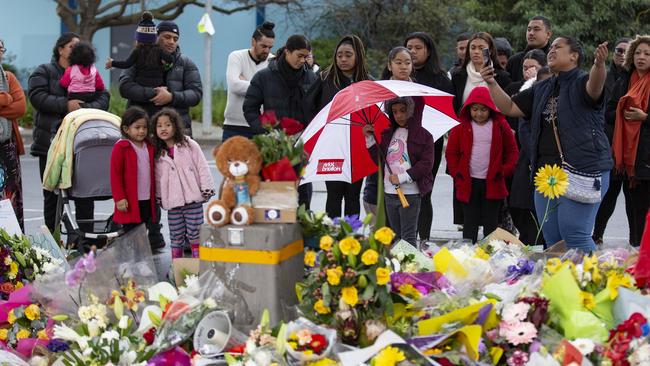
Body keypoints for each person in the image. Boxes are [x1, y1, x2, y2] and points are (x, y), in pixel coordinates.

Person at [480, 36, 612, 252]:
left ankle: (593, 283)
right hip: (547, 173)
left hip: (582, 169)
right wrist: (491, 83)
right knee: (552, 238)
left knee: (575, 235)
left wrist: (599, 65)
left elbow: (595, 86)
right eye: (550, 47)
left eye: (557, 47)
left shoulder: (582, 81)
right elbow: (510, 108)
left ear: (574, 56)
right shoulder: (543, 87)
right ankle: (558, 284)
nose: (551, 50)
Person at [29, 32, 110, 240]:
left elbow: (104, 96)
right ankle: (52, 242)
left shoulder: (89, 71)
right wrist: (66, 105)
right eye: (73, 46)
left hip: (83, 144)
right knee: (53, 195)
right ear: (61, 49)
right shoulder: (44, 71)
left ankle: (85, 242)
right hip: (51, 143)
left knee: (85, 194)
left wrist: (85, 108)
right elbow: (37, 96)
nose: (77, 49)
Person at [243, 34, 317, 209]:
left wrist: (310, 137)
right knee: (274, 197)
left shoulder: (311, 78)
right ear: (287, 51)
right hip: (272, 147)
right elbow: (250, 108)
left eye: (306, 56)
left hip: (301, 147)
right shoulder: (263, 77)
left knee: (303, 196)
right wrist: (264, 133)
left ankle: (302, 231)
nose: (303, 60)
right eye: (299, 55)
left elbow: (316, 110)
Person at [446, 87, 518, 243]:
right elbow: (451, 153)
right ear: (469, 109)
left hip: (493, 182)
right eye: (475, 109)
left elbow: (512, 151)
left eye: (483, 109)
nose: (479, 114)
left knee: (491, 223)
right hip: (468, 182)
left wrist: (505, 171)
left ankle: (490, 257)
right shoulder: (461, 126)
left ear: (491, 109)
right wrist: (456, 173)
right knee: (469, 222)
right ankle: (467, 255)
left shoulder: (500, 125)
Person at [309, 35, 370, 218]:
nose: (343, 59)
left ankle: (353, 238)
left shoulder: (368, 82)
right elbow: (310, 107)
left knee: (353, 195)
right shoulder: (324, 79)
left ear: (358, 56)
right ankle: (332, 240)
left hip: (358, 147)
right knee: (334, 194)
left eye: (348, 55)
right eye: (339, 55)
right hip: (332, 147)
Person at [363, 96, 433, 246]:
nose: (399, 115)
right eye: (394, 112)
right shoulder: (388, 134)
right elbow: (380, 161)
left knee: (408, 237)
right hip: (390, 193)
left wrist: (402, 177)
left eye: (403, 110)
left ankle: (410, 268)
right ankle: (399, 267)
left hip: (410, 194)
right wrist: (370, 139)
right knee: (396, 236)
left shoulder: (424, 136)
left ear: (412, 110)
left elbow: (426, 164)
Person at [404, 32, 454, 241]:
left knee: (423, 193)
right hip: (398, 142)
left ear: (428, 51)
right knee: (400, 193)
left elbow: (447, 113)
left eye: (418, 47)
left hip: (428, 144)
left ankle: (423, 240)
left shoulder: (440, 79)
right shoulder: (398, 76)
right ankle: (403, 240)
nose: (413, 51)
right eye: (409, 47)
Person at [119, 19, 202, 137]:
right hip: (143, 129)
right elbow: (124, 87)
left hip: (176, 130)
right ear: (155, 37)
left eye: (175, 39)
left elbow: (196, 93)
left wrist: (171, 97)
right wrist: (153, 93)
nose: (172, 42)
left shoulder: (186, 63)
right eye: (167, 37)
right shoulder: (138, 56)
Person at [152, 108, 215, 258]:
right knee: (176, 235)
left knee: (195, 233)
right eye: (159, 126)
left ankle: (198, 263)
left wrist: (206, 188)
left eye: (167, 124)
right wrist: (159, 197)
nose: (163, 129)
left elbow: (202, 166)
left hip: (193, 199)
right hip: (173, 204)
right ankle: (177, 267)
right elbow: (158, 178)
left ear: (175, 126)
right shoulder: (158, 153)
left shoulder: (189, 145)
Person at [609, 35, 650, 246]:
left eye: (647, 53)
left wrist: (645, 117)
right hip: (627, 157)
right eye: (637, 52)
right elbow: (607, 110)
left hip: (646, 155)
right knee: (635, 209)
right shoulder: (624, 80)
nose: (641, 57)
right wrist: (620, 113)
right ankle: (637, 252)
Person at [365, 47, 414, 223]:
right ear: (389, 65)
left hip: (411, 152)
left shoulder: (419, 91)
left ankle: (406, 246)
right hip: (384, 150)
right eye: (398, 63)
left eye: (407, 63)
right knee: (379, 192)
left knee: (409, 210)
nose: (403, 67)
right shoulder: (379, 91)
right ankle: (384, 241)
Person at [593, 37, 633, 245]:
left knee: (634, 199)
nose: (621, 55)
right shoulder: (604, 77)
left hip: (635, 147)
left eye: (626, 51)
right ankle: (597, 235)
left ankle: (635, 241)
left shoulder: (638, 78)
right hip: (608, 144)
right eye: (618, 50)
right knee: (607, 196)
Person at [508, 67, 552, 246]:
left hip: (554, 178)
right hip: (530, 176)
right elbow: (529, 143)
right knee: (530, 232)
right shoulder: (528, 109)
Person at [107, 12, 174, 113]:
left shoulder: (137, 51)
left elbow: (126, 64)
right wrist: (167, 64)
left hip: (140, 94)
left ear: (138, 38)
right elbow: (170, 59)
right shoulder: (159, 51)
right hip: (157, 92)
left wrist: (113, 63)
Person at [222, 21, 275, 141]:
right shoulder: (236, 56)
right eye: (263, 46)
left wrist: (248, 83)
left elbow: (275, 91)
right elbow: (234, 85)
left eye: (270, 47)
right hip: (233, 125)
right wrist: (263, 88)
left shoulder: (273, 61)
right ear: (253, 41)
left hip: (261, 126)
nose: (267, 51)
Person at [110, 107, 157, 241]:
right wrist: (119, 198)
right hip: (129, 201)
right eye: (137, 127)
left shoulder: (149, 146)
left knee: (143, 229)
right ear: (126, 129)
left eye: (144, 127)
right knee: (130, 232)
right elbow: (115, 175)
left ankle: (140, 259)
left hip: (147, 198)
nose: (141, 131)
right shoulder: (121, 147)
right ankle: (130, 260)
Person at [0, 39, 27, 231]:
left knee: (11, 195)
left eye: (2, 49)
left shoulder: (8, 78)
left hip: (6, 147)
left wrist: (7, 100)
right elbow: (11, 101)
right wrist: (5, 98)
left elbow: (20, 107)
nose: (0, 52)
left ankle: (13, 245)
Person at [506, 16, 553, 83]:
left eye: (536, 29)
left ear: (548, 34)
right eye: (529, 29)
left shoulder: (555, 60)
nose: (531, 33)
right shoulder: (514, 60)